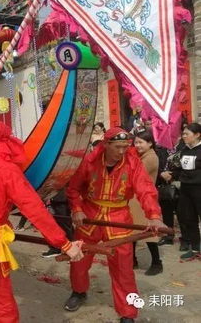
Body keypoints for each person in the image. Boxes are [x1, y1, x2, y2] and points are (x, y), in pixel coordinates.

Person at [0, 121, 83, 323]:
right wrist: (64, 243)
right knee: (3, 306)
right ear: (6, 141)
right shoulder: (6, 170)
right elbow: (34, 208)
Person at [64, 127, 165, 323]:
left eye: (125, 147)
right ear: (106, 145)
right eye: (118, 147)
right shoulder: (90, 161)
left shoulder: (133, 163)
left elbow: (146, 189)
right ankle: (79, 291)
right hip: (90, 216)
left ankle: (127, 312)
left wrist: (153, 215)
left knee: (123, 268)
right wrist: (77, 209)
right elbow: (74, 189)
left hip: (119, 218)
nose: (122, 151)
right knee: (79, 259)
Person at [162, 123, 201, 260]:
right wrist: (171, 174)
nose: (184, 136)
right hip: (185, 189)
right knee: (189, 219)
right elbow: (180, 168)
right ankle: (195, 248)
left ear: (197, 135)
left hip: (199, 189)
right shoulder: (184, 150)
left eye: (187, 134)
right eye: (183, 134)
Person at [130, 130, 163, 275]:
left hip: (145, 200)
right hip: (134, 199)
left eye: (140, 142)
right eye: (135, 142)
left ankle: (157, 262)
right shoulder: (141, 155)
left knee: (149, 233)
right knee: (131, 231)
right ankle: (132, 260)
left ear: (150, 143)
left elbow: (134, 174)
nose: (137, 145)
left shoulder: (150, 157)